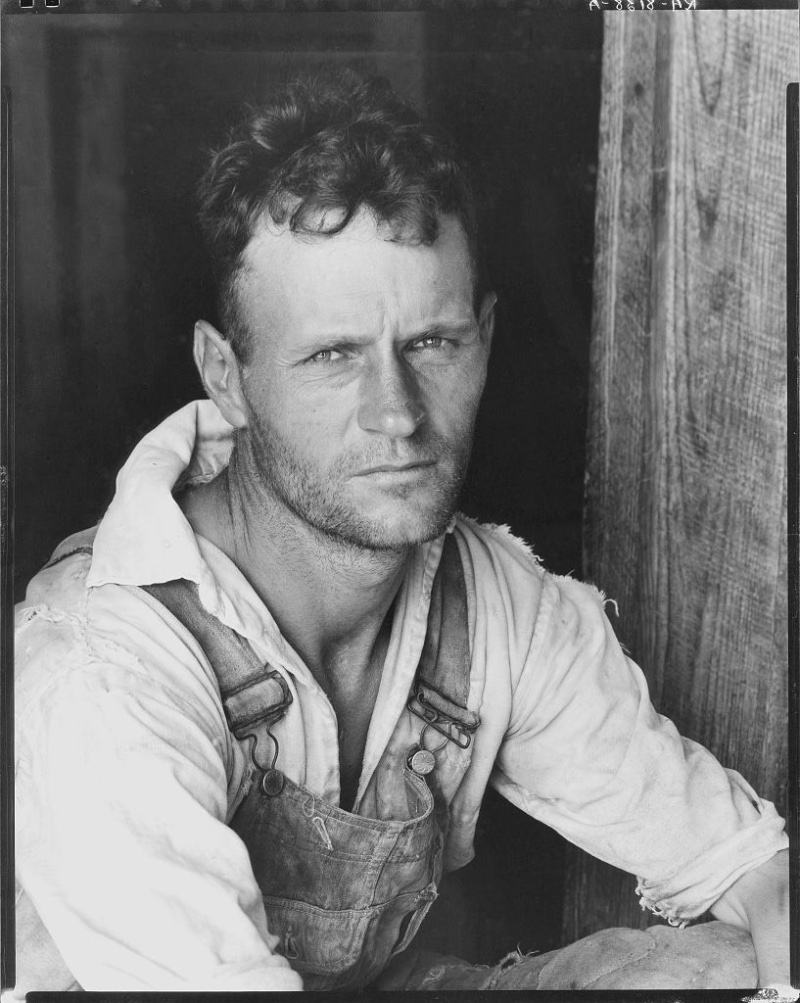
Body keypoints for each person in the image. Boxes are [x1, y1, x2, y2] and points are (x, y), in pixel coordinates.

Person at [10, 72, 790, 994]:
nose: (398, 415)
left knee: (719, 968)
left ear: (486, 339)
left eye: (431, 344)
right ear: (226, 374)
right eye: (333, 356)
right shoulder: (103, 668)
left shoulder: (496, 604)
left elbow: (757, 873)